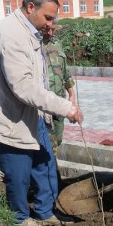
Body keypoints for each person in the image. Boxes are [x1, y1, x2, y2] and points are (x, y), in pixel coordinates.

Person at [0, 0, 83, 226]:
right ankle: (20, 220)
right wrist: (65, 107)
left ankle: (44, 212)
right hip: (9, 119)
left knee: (44, 163)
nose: (51, 24)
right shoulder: (10, 34)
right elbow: (22, 86)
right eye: (48, 17)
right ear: (30, 7)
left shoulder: (30, 32)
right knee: (19, 175)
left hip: (32, 115)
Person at [42, 22, 75, 155]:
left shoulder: (57, 46)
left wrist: (71, 94)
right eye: (47, 30)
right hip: (44, 104)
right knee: (49, 144)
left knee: (58, 139)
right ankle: (51, 171)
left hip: (60, 100)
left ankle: (51, 167)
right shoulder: (34, 48)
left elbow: (65, 72)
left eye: (52, 30)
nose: (50, 33)